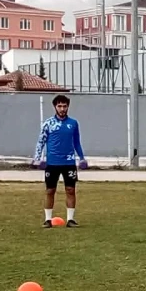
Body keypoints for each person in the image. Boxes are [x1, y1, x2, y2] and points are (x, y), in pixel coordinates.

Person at [32, 94, 87, 227]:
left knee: (70, 190)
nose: (62, 109)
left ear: (68, 107)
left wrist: (82, 158)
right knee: (50, 191)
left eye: (64, 106)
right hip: (52, 163)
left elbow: (76, 142)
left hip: (69, 162)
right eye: (59, 106)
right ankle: (47, 220)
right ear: (55, 107)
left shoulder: (73, 123)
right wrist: (37, 159)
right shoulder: (48, 123)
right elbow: (41, 141)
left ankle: (70, 220)